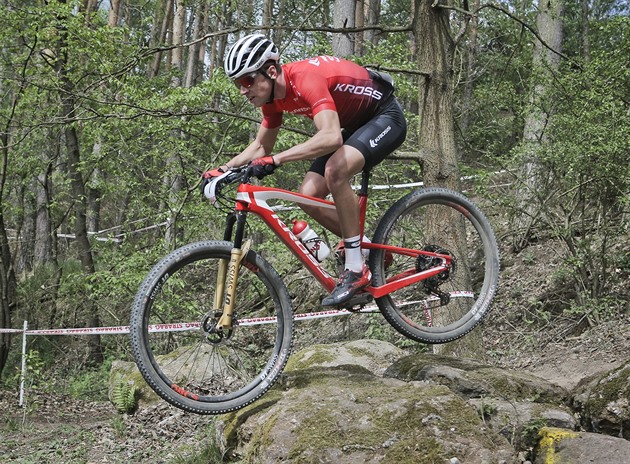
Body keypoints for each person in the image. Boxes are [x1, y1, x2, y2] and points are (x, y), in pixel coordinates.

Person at [204, 33, 407, 306]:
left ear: (271, 71)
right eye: (238, 83)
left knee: (335, 170)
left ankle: (356, 268)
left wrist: (277, 160)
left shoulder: (304, 79)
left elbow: (331, 137)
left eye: (247, 81)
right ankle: (369, 249)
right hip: (356, 125)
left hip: (384, 115)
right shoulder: (271, 100)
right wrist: (224, 169)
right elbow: (261, 146)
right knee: (308, 195)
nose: (243, 90)